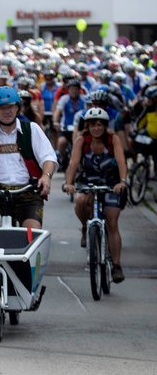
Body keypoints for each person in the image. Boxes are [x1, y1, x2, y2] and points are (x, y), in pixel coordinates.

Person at [0, 86, 58, 230]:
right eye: (1, 108)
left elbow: (48, 158)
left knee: (33, 232)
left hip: (28, 191)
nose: (6, 111)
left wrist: (46, 176)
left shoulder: (31, 129)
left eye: (10, 107)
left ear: (17, 108)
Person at [63, 108, 127, 283]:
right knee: (81, 201)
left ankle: (116, 265)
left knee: (112, 222)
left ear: (105, 126)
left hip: (111, 183)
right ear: (87, 126)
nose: (96, 128)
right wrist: (68, 183)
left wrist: (122, 181)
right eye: (92, 124)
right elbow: (73, 163)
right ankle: (86, 228)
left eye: (99, 124)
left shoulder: (113, 139)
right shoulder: (81, 140)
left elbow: (121, 161)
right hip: (88, 182)